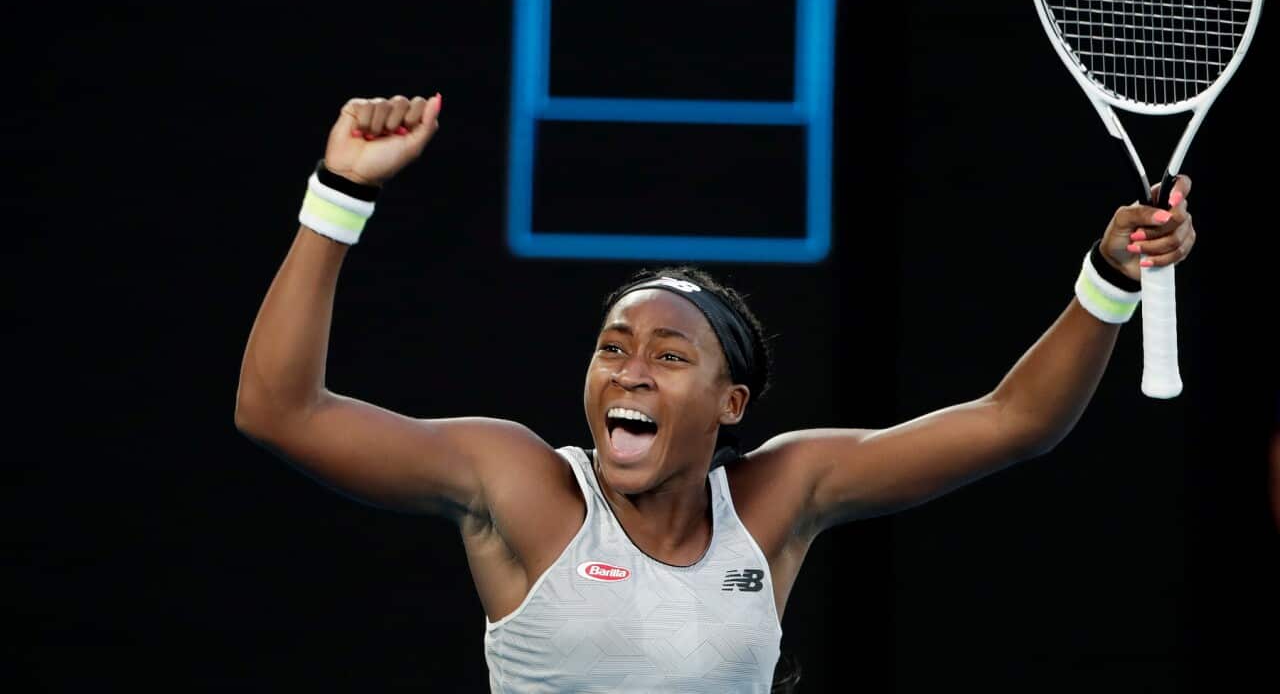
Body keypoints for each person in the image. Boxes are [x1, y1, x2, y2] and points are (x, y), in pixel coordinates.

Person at [234, 93, 1197, 693]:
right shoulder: (520, 485)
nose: (630, 370)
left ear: (731, 405)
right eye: (613, 347)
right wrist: (338, 191)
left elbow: (1014, 422)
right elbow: (280, 412)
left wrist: (1108, 277)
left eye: (668, 354)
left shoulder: (782, 497)